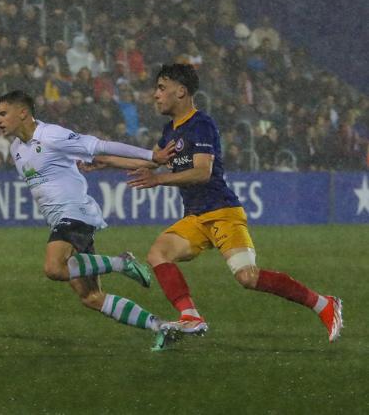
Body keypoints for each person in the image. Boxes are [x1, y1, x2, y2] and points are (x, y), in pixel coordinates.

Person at [86, 64, 343, 342]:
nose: (155, 95)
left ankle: (324, 304)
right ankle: (191, 317)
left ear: (181, 91)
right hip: (196, 217)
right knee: (158, 254)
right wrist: (105, 162)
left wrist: (159, 180)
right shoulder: (170, 130)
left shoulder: (201, 124)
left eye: (161, 88)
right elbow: (152, 159)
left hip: (222, 212)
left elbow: (202, 172)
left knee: (247, 277)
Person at [0, 90, 180, 349]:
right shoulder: (16, 148)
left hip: (74, 213)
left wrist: (151, 156)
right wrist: (145, 165)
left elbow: (100, 146)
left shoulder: (51, 135)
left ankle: (120, 263)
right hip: (63, 218)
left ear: (23, 112)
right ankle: (160, 326)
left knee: (54, 268)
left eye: (3, 113)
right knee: (91, 296)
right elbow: (100, 159)